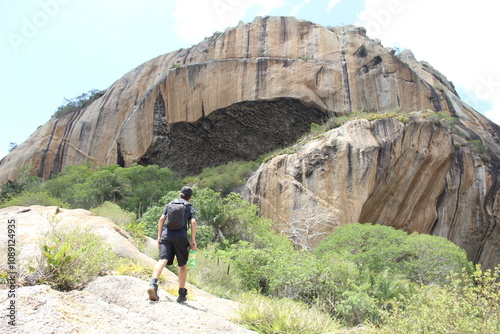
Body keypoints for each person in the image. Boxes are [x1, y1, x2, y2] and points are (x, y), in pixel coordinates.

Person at [147, 186, 197, 303]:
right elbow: (193, 222)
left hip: (166, 235)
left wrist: (159, 237)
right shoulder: (189, 206)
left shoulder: (170, 204)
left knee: (162, 260)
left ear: (180, 195)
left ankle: (153, 284)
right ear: (190, 197)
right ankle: (181, 294)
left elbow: (161, 219)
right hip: (181, 237)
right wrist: (193, 240)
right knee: (182, 266)